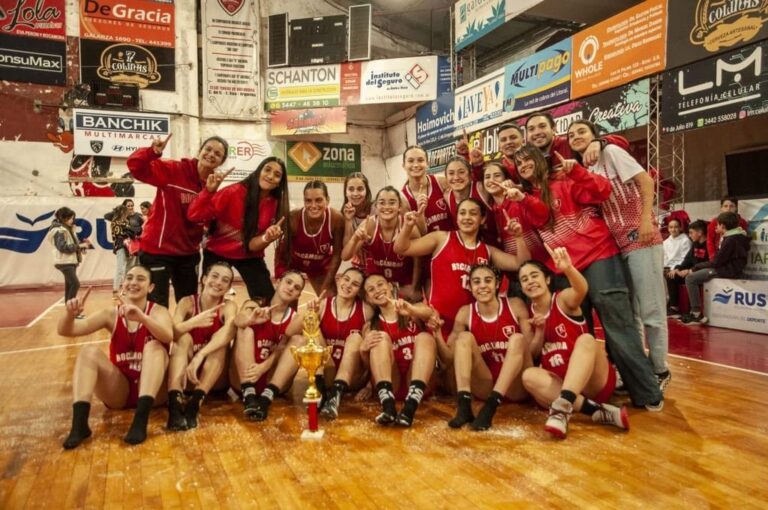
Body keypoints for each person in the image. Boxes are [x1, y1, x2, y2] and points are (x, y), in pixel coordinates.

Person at [514, 143, 664, 410]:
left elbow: (603, 191)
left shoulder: (565, 178)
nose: (524, 165)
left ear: (540, 159)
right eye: (519, 163)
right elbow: (542, 215)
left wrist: (579, 172)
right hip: (565, 268)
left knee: (618, 328)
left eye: (528, 160)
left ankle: (647, 393)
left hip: (599, 257)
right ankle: (582, 393)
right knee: (576, 334)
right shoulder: (524, 198)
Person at [568, 119, 670, 392]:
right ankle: (639, 372)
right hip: (616, 244)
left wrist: (647, 219)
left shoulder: (610, 152)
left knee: (652, 309)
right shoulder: (585, 168)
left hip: (640, 238)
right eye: (571, 134)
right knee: (632, 313)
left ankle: (660, 368)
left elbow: (645, 181)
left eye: (582, 131)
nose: (575, 136)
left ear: (594, 135)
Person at [394, 197, 529, 367]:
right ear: (456, 217)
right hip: (439, 320)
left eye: (473, 213)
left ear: (483, 219)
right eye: (462, 213)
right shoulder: (441, 238)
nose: (467, 217)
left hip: (470, 323)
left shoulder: (487, 250)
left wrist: (518, 237)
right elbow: (402, 248)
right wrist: (407, 226)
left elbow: (521, 264)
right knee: (446, 371)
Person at [519, 247, 630, 439]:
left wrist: (568, 269)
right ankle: (595, 411)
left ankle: (562, 408)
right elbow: (532, 353)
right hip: (560, 385)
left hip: (592, 380)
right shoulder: (528, 315)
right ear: (521, 287)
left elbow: (581, 290)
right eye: (524, 279)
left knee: (587, 340)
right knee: (528, 375)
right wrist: (539, 331)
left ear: (547, 279)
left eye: (534, 275)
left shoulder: (562, 299)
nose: (530, 281)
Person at [59, 265, 174, 448]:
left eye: (140, 279)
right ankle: (79, 424)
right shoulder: (111, 314)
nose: (133, 282)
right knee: (88, 351)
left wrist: (142, 318)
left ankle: (140, 420)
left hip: (154, 393)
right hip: (120, 390)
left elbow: (168, 336)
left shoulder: (158, 311)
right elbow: (67, 331)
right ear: (123, 283)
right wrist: (69, 315)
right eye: (129, 278)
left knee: (154, 347)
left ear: (151, 287)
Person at [127, 134, 229, 307]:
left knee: (188, 305)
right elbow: (136, 167)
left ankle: (186, 334)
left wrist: (208, 193)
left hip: (187, 254)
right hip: (157, 251)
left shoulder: (213, 188)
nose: (212, 154)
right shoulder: (174, 170)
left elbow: (195, 216)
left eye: (218, 154)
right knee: (156, 306)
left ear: (221, 162)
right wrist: (151, 152)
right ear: (200, 151)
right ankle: (155, 335)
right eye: (208, 149)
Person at [187, 157, 290, 304]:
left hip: (250, 256)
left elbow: (252, 245)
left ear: (280, 182)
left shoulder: (276, 204)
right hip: (217, 252)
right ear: (259, 171)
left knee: (267, 299)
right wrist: (208, 191)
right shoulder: (232, 192)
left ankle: (265, 326)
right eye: (267, 170)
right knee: (209, 299)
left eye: (277, 175)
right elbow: (194, 215)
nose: (271, 176)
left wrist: (267, 238)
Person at [447, 264, 534, 430]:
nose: (482, 286)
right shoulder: (465, 313)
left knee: (517, 339)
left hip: (515, 386)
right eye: (476, 282)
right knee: (463, 338)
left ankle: (491, 407)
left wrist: (540, 332)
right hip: (485, 384)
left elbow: (530, 350)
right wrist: (436, 334)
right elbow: (450, 357)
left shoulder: (515, 305)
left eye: (488, 280)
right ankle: (464, 406)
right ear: (470, 287)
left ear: (496, 284)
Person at [166, 262, 238, 430]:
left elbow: (229, 332)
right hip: (187, 376)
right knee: (182, 339)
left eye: (225, 280)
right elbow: (172, 334)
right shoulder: (187, 302)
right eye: (214, 276)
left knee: (219, 342)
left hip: (216, 380)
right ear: (204, 279)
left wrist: (201, 355)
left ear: (228, 288)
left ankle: (195, 404)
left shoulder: (228, 306)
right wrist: (193, 322)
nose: (218, 282)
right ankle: (175, 405)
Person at [361, 273, 436, 427]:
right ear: (368, 298)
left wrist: (411, 310)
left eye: (380, 284)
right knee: (380, 337)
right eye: (371, 289)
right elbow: (369, 367)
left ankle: (410, 407)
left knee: (425, 337)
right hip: (391, 383)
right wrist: (363, 351)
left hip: (416, 381)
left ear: (390, 286)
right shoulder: (370, 326)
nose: (377, 290)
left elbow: (430, 313)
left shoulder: (411, 311)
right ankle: (388, 407)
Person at [234, 271, 305, 421]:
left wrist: (263, 367)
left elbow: (282, 348)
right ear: (278, 282)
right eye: (288, 282)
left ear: (298, 295)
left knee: (299, 340)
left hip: (271, 379)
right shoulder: (255, 304)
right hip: (243, 377)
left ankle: (266, 398)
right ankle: (249, 393)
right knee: (244, 329)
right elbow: (238, 321)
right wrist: (250, 319)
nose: (291, 287)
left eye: (297, 287)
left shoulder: (295, 318)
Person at [306, 267, 373, 420]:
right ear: (339, 279)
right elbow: (297, 333)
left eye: (355, 284)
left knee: (356, 337)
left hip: (353, 376)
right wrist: (311, 314)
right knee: (311, 327)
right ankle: (320, 388)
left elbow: (373, 348)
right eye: (346, 279)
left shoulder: (366, 310)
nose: (348, 285)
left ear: (359, 290)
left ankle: (335, 396)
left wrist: (370, 384)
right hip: (327, 370)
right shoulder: (322, 305)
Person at [342, 186, 421, 301]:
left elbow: (418, 260)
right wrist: (355, 237)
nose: (386, 207)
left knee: (412, 308)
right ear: (376, 206)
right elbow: (345, 256)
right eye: (382, 203)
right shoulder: (369, 224)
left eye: (392, 203)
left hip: (404, 281)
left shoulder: (408, 225)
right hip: (378, 282)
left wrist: (415, 287)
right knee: (369, 304)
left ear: (399, 207)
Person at [275, 180, 345, 296]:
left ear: (327, 200)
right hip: (293, 263)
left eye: (318, 200)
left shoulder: (336, 219)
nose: (313, 205)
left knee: (329, 300)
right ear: (304, 201)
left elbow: (337, 254)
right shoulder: (293, 218)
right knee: (288, 300)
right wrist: (280, 275)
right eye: (308, 201)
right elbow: (281, 250)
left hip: (319, 266)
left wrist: (326, 284)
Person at [681, 212, 751, 324]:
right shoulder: (737, 236)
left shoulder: (731, 240)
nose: (716, 227)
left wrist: (695, 268)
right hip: (727, 268)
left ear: (723, 226)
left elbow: (717, 262)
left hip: (727, 271)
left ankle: (696, 313)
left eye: (717, 225)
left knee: (690, 278)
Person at [525, 112, 628, 168]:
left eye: (542, 126)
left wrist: (598, 142)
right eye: (531, 129)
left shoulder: (570, 143)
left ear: (553, 129)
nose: (537, 132)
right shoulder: (529, 158)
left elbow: (623, 142)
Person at [443, 156, 497, 246]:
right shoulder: (447, 196)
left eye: (461, 172)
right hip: (469, 253)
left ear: (470, 174)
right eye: (451, 173)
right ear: (446, 177)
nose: (456, 177)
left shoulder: (481, 188)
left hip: (495, 249)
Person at [400, 145, 452, 234]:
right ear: (404, 165)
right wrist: (420, 216)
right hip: (428, 246)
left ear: (427, 163)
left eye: (420, 160)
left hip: (452, 243)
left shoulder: (441, 182)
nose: (415, 165)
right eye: (410, 161)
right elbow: (417, 237)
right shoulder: (403, 199)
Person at [667, 220, 709, 317]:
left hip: (701, 272)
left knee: (691, 278)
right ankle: (674, 308)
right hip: (692, 270)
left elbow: (708, 264)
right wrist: (678, 269)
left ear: (700, 233)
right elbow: (687, 259)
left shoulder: (708, 244)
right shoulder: (695, 244)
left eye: (691, 233)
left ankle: (693, 311)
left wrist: (690, 270)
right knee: (671, 276)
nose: (689, 235)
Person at [49, 207, 91, 304]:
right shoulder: (59, 230)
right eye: (71, 218)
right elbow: (62, 247)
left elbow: (74, 245)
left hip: (70, 261)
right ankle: (72, 310)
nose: (73, 220)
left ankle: (69, 309)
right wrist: (79, 245)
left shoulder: (68, 229)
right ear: (64, 218)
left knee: (70, 284)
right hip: (64, 261)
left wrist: (84, 245)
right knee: (75, 284)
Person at [340, 172, 373, 271]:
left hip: (379, 265)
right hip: (359, 267)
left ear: (366, 191)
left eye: (360, 189)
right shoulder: (342, 214)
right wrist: (348, 220)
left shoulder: (376, 210)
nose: (355, 193)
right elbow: (347, 251)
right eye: (351, 189)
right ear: (345, 192)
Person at [663, 218, 693, 317]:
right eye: (671, 227)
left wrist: (675, 269)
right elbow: (665, 258)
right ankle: (663, 304)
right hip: (669, 267)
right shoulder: (666, 242)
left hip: (681, 268)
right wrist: (665, 268)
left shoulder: (685, 240)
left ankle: (674, 307)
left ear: (680, 228)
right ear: (668, 228)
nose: (673, 229)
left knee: (671, 276)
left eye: (676, 227)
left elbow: (685, 259)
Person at [706, 196, 749, 261]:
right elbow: (710, 241)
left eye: (731, 206)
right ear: (721, 208)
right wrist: (713, 257)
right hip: (717, 257)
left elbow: (742, 242)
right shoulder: (714, 222)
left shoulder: (742, 222)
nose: (728, 209)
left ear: (736, 208)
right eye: (725, 206)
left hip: (734, 257)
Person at [109, 204, 133, 297]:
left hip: (128, 246)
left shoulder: (126, 221)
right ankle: (115, 289)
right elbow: (119, 234)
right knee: (120, 268)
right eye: (125, 211)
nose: (127, 213)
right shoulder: (115, 221)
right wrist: (129, 232)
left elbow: (128, 233)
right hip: (120, 246)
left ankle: (125, 288)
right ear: (122, 212)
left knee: (127, 268)